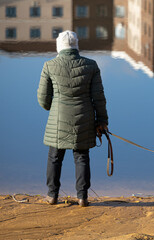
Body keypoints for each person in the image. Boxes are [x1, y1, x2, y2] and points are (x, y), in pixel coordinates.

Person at [37, 30, 108, 207]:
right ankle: (82, 197)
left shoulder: (49, 65)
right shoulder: (91, 65)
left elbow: (43, 99)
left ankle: (52, 195)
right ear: (76, 45)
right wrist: (102, 121)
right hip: (84, 118)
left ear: (59, 46)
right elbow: (98, 97)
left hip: (58, 118)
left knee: (54, 157)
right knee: (82, 157)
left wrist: (51, 108)